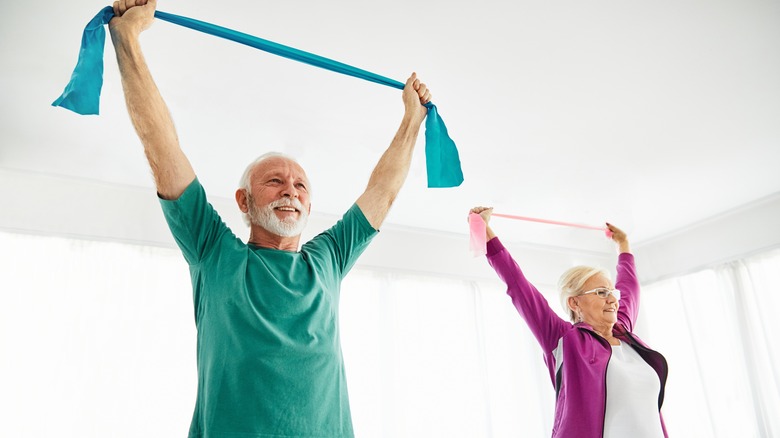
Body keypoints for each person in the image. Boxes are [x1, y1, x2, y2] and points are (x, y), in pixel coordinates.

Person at [108, 0, 433, 436]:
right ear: (243, 200)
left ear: (308, 207)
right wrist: (127, 38)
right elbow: (162, 148)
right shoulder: (213, 251)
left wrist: (413, 118)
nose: (290, 191)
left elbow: (383, 191)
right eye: (275, 181)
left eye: (300, 186)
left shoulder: (328, 260)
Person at [469, 207, 669, 438]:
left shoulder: (625, 334)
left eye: (611, 292)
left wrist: (623, 244)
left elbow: (629, 286)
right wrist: (485, 231)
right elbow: (518, 286)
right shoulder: (565, 339)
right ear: (575, 303)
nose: (613, 299)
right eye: (601, 292)